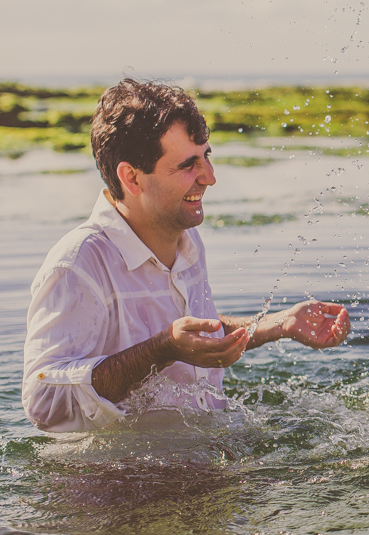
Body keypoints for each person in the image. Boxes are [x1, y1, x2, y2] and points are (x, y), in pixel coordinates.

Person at [23, 79, 351, 432]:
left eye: (206, 155)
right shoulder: (77, 264)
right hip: (119, 466)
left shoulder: (187, 238)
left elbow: (193, 332)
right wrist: (161, 351)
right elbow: (43, 402)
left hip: (205, 447)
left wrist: (279, 324)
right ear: (132, 177)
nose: (209, 177)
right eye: (187, 164)